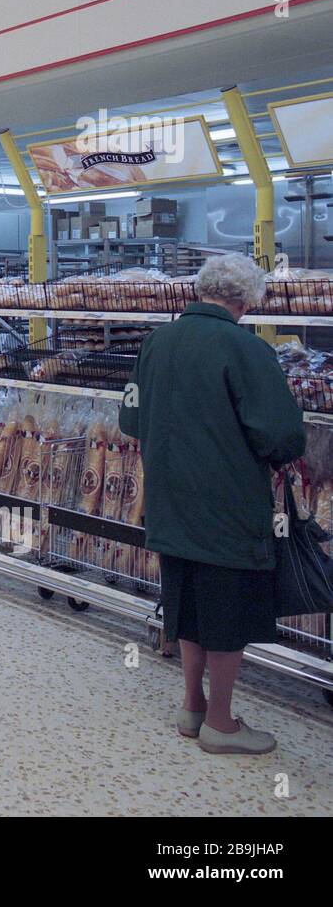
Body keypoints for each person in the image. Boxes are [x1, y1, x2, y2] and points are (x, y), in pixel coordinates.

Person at [119, 253, 305, 756]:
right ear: (245, 301)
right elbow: (282, 436)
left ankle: (192, 706)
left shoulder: (156, 342)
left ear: (201, 290)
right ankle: (221, 725)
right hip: (226, 508)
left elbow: (131, 420)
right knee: (227, 613)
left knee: (187, 605)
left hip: (168, 501)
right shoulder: (245, 349)